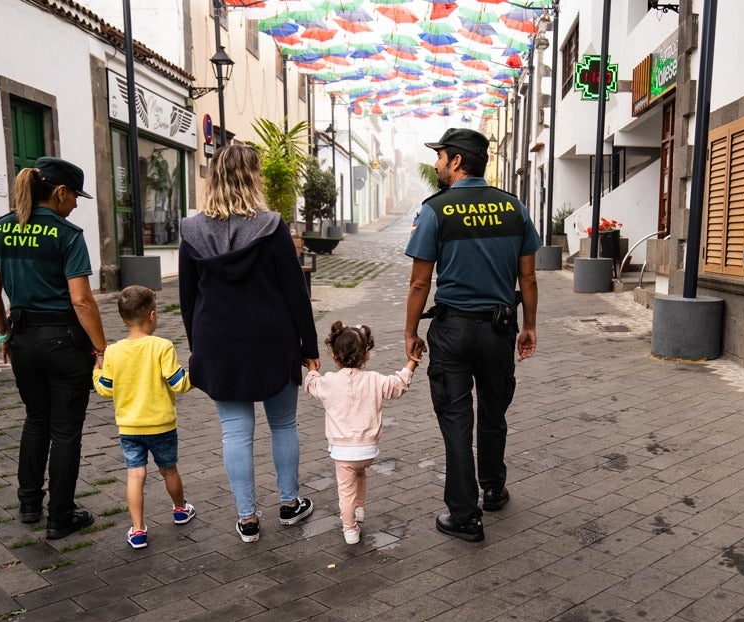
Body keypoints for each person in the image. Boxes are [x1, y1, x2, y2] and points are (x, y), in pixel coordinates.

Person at [178, 143, 320, 544]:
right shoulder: (272, 227)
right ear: (253, 177)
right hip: (272, 339)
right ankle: (289, 504)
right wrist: (309, 347)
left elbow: (188, 298)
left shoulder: (191, 231)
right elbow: (296, 292)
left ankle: (248, 519)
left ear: (214, 178)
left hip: (217, 341)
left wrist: (198, 346)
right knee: (283, 423)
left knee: (235, 432)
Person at [404, 128, 540, 542]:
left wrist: (410, 331)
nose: (436, 163)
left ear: (457, 161)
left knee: (456, 420)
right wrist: (529, 326)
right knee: (494, 412)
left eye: (440, 156)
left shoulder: (435, 210)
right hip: (500, 330)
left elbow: (419, 283)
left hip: (453, 332)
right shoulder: (514, 208)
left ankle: (465, 515)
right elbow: (528, 278)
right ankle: (493, 489)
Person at [0, 156, 106, 541]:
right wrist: (102, 348)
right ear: (60, 192)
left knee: (36, 420)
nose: (77, 204)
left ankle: (29, 504)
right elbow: (81, 300)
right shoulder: (67, 234)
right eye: (75, 196)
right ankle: (60, 516)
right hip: (64, 341)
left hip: (22, 340)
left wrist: (4, 335)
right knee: (65, 430)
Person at [93, 286, 195, 549]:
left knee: (135, 476)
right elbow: (179, 384)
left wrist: (96, 371)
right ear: (152, 315)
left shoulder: (113, 352)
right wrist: (198, 372)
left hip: (130, 428)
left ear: (122, 319)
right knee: (169, 470)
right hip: (162, 426)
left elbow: (105, 389)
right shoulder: (162, 346)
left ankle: (138, 530)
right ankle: (180, 509)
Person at [303, 321, 420, 545]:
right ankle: (358, 509)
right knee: (360, 475)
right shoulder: (374, 379)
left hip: (343, 451)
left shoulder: (329, 382)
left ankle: (350, 529)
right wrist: (412, 363)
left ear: (334, 355)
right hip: (367, 450)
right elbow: (398, 385)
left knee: (345, 490)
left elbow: (312, 385)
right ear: (365, 355)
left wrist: (311, 368)